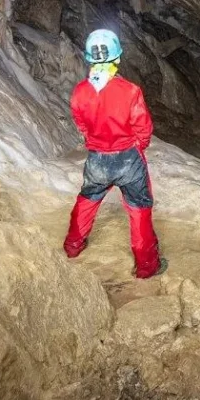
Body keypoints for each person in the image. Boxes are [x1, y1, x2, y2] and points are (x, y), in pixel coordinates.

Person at [63, 29, 167, 278]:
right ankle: (146, 266)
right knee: (139, 208)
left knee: (87, 199)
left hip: (97, 157)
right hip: (128, 158)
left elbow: (82, 124)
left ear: (90, 58)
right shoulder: (130, 91)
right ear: (117, 58)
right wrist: (136, 148)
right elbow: (144, 128)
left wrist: (96, 141)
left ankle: (73, 246)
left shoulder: (80, 91)